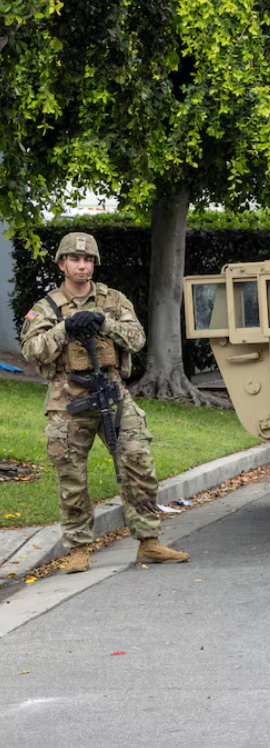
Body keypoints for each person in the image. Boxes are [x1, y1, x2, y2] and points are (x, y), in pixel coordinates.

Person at [19, 232, 189, 573]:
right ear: (62, 264)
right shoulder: (47, 307)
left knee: (137, 462)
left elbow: (137, 339)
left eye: (88, 260)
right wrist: (65, 327)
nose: (82, 266)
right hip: (68, 399)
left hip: (112, 394)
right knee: (71, 476)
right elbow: (31, 350)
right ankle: (79, 549)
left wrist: (104, 322)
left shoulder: (112, 299)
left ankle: (148, 541)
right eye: (75, 260)